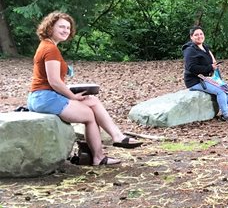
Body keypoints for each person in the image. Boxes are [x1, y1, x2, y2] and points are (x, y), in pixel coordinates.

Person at [27, 11, 142, 166]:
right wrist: (73, 97)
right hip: (44, 97)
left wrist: (72, 93)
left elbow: (51, 81)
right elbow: (54, 82)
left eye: (68, 28)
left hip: (42, 96)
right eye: (61, 26)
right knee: (89, 115)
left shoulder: (48, 46)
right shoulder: (50, 49)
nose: (65, 30)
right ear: (50, 27)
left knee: (92, 100)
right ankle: (99, 156)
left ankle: (117, 137)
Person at [182, 26, 228, 122]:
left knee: (227, 88)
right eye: (196, 35)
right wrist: (209, 68)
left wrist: (215, 72)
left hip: (208, 78)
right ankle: (227, 115)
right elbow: (191, 68)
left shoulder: (204, 47)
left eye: (201, 34)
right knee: (221, 91)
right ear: (191, 37)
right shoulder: (189, 50)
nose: (199, 36)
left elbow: (212, 62)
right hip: (195, 81)